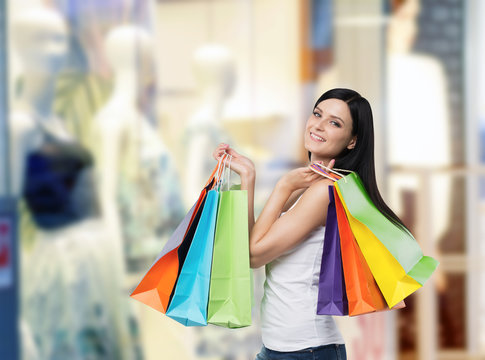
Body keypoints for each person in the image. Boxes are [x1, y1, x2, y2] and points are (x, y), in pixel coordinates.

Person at [212, 88, 411, 360]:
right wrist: (248, 176)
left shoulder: (322, 191)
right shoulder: (309, 183)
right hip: (281, 348)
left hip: (306, 350)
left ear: (352, 141)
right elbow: (250, 239)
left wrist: (283, 186)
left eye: (334, 122)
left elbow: (253, 255)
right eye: (317, 113)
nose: (318, 124)